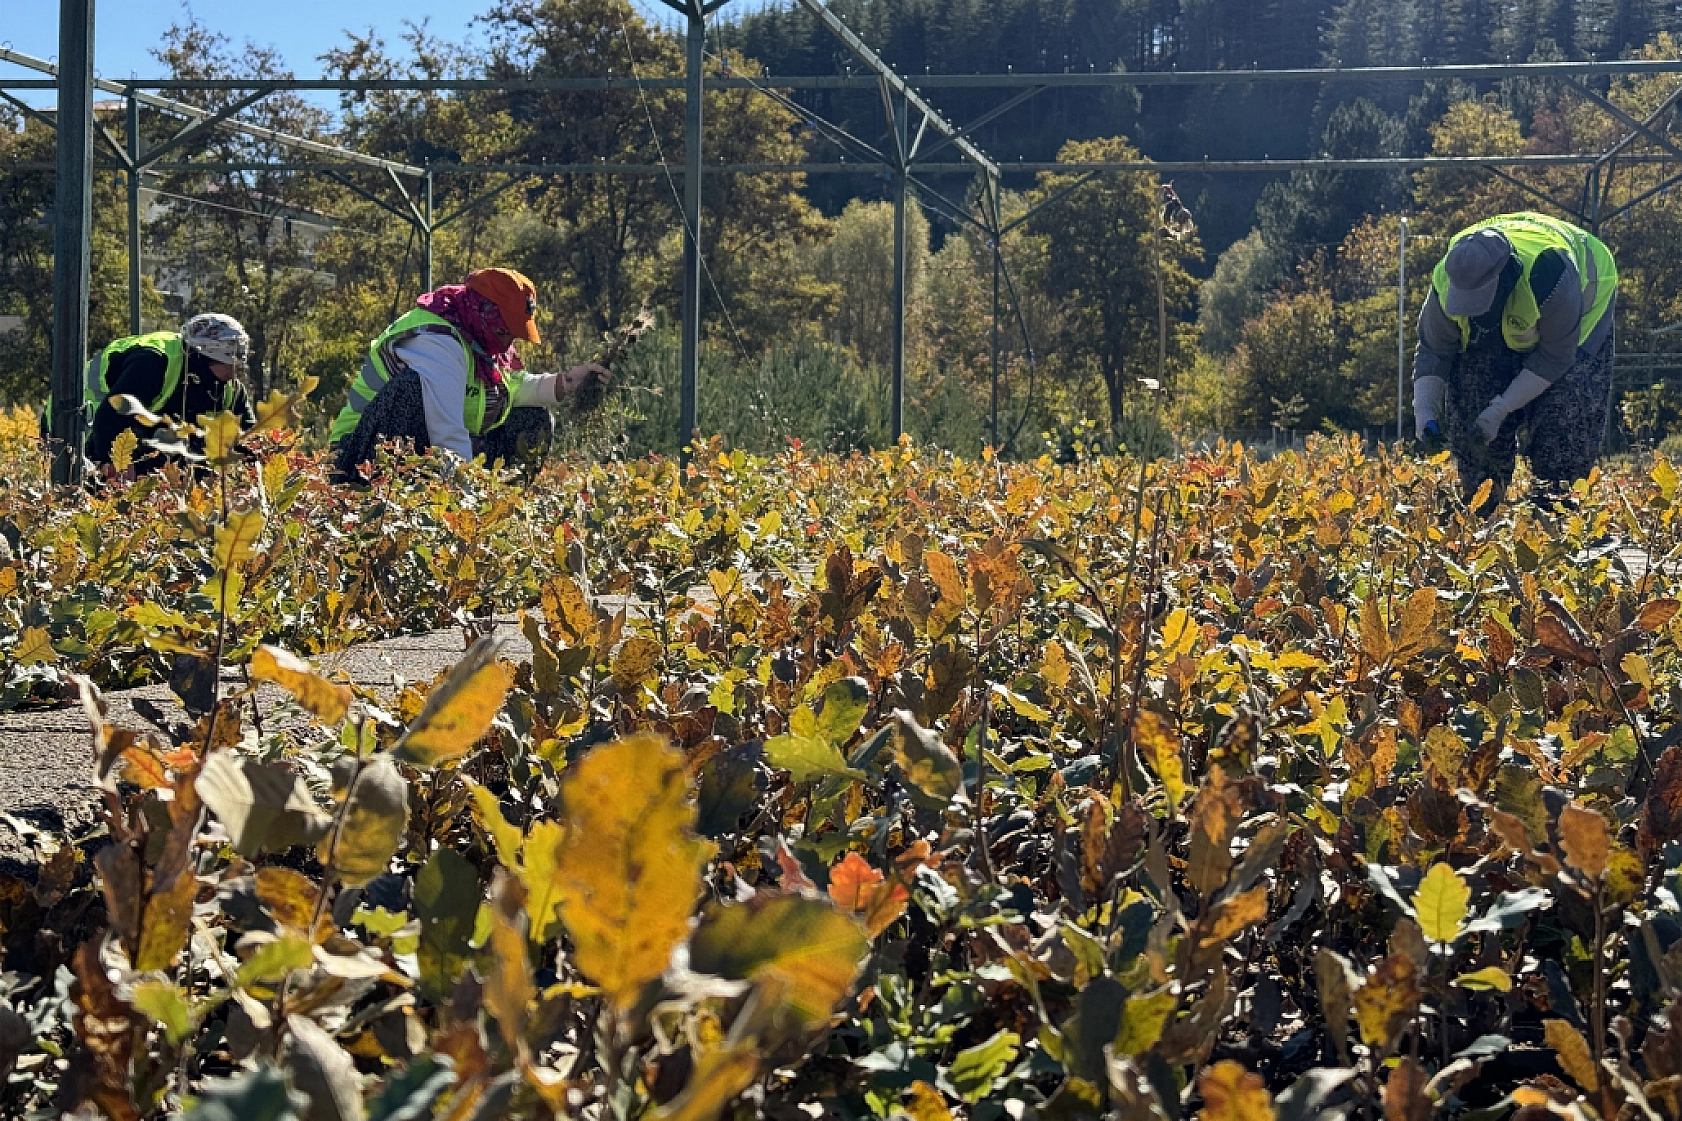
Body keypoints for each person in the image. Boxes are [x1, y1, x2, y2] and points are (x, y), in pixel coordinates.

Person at [1412, 211, 1617, 512]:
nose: (1471, 311)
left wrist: (1501, 409)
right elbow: (1434, 350)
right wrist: (1425, 409)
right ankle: (1482, 502)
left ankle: (1556, 507)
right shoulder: (1449, 275)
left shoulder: (1550, 273)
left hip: (1579, 318)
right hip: (1521, 320)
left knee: (1565, 418)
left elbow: (1554, 358)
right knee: (1471, 405)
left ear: (1506, 277)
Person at [330, 268, 605, 482]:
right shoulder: (436, 339)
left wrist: (569, 381)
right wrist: (468, 509)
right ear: (483, 314)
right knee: (411, 391)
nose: (508, 343)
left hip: (424, 453)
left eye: (513, 334)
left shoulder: (481, 343)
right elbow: (447, 436)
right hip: (356, 455)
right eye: (503, 331)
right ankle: (398, 504)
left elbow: (513, 389)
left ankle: (503, 507)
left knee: (535, 418)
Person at [80, 313, 254, 478]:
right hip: (81, 421)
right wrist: (115, 468)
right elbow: (110, 417)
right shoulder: (152, 362)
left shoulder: (231, 389)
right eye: (230, 365)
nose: (235, 373)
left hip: (146, 428)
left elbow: (252, 438)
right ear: (202, 358)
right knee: (97, 479)